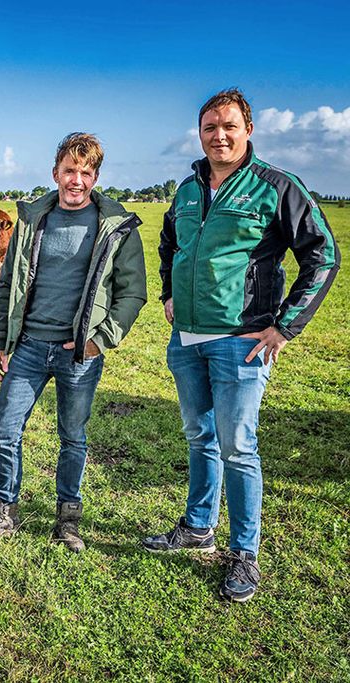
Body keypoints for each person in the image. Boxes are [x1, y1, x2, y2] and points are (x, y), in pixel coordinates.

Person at [144, 89, 340, 601]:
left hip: (241, 341)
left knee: (238, 446)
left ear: (248, 129)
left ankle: (244, 554)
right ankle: (197, 525)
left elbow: (323, 255)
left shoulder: (276, 186)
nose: (219, 135)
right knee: (198, 437)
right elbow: (169, 245)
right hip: (185, 339)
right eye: (210, 127)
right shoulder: (187, 189)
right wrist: (168, 293)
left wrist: (284, 326)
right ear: (200, 133)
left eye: (229, 126)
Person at [0, 133, 146, 551]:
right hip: (30, 346)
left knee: (73, 435)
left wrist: (99, 340)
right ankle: (5, 509)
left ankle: (68, 519)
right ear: (56, 173)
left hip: (79, 353)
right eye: (70, 171)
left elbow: (133, 292)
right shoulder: (33, 220)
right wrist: (1, 342)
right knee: (5, 429)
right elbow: (9, 287)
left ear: (95, 177)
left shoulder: (116, 226)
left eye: (86, 173)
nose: (77, 180)